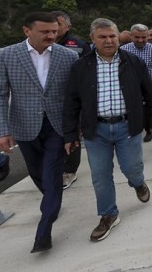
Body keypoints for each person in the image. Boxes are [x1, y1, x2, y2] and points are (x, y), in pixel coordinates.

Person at [63, 18, 152, 242]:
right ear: (92, 39)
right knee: (100, 176)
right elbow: (71, 102)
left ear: (118, 37)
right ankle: (108, 214)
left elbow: (149, 93)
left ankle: (138, 182)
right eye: (103, 37)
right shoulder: (81, 66)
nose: (108, 41)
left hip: (128, 127)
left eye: (112, 36)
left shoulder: (133, 62)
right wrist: (70, 133)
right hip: (95, 130)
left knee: (131, 168)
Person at [0, 12, 78, 253]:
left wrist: (75, 127)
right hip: (24, 126)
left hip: (57, 126)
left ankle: (44, 231)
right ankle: (51, 202)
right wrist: (0, 131)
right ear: (27, 31)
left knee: (52, 174)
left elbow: (75, 95)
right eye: (45, 32)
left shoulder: (68, 56)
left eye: (54, 31)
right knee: (38, 174)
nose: (52, 36)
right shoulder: (5, 56)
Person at [51, 10, 91, 190]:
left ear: (68, 26)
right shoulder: (42, 45)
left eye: (58, 23)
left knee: (72, 134)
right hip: (50, 100)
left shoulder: (79, 45)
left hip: (73, 99)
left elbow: (89, 75)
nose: (54, 27)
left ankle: (69, 171)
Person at [120, 24, 152, 151]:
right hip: (132, 94)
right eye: (137, 37)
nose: (140, 40)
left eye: (143, 37)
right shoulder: (123, 51)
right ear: (131, 36)